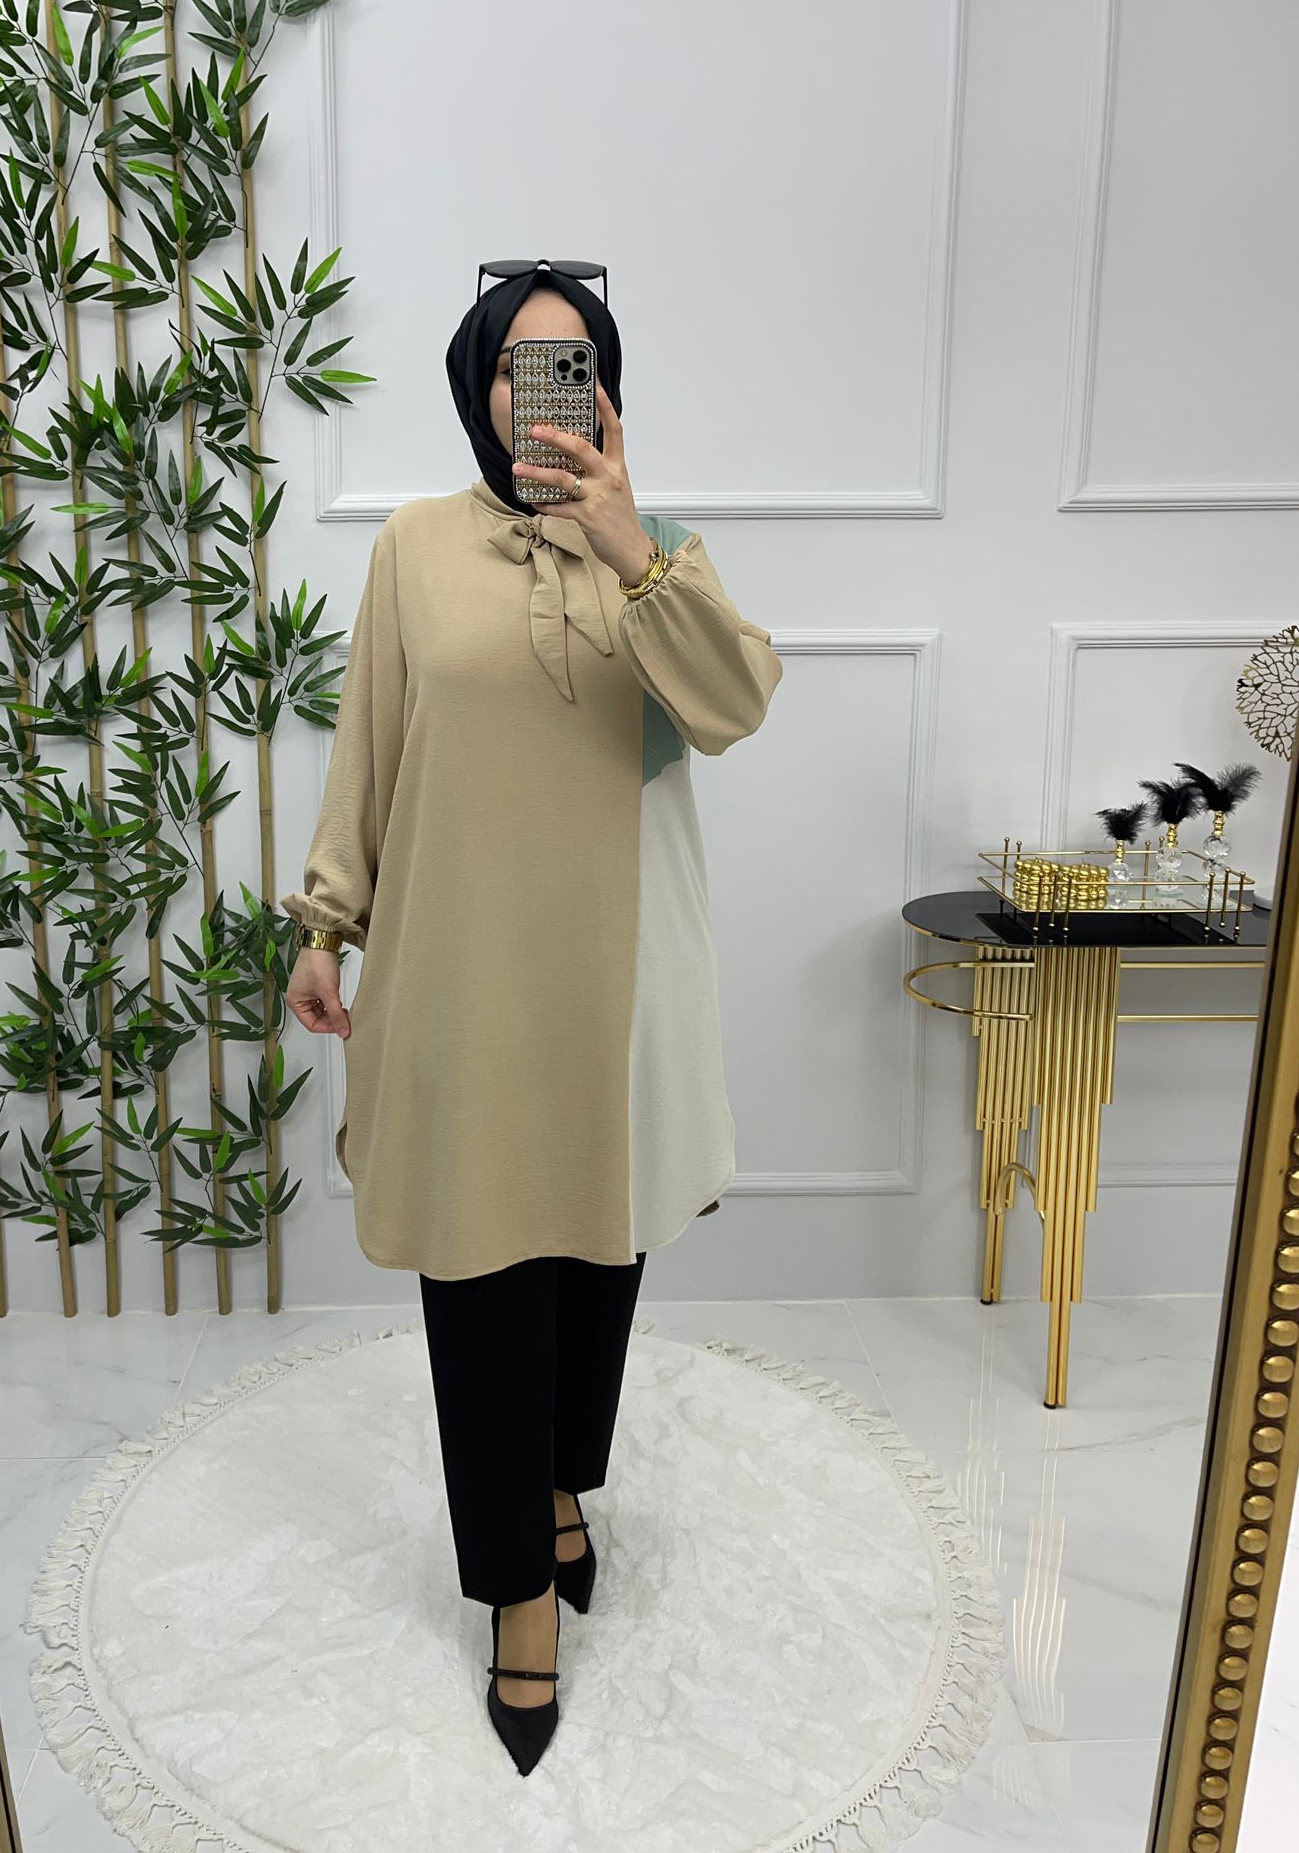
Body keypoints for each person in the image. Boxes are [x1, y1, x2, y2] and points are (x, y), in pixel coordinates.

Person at [282, 259, 783, 1774]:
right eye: (516, 362)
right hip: (460, 968)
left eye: (571, 365)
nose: (538, 391)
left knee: (597, 1250)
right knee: (480, 1273)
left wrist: (626, 543)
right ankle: (517, 1589)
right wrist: (327, 921)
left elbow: (733, 707)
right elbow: (373, 739)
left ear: (607, 394)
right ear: (476, 383)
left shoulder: (661, 551)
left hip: (621, 974)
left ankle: (564, 1482)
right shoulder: (415, 547)